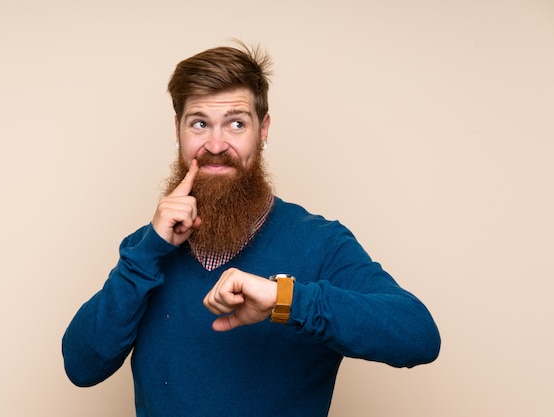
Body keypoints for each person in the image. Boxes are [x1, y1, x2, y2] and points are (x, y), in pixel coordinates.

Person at [62, 41, 441, 417]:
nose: (215, 143)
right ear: (177, 131)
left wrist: (286, 299)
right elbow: (81, 366)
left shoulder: (320, 242)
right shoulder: (145, 251)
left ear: (263, 130)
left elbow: (419, 336)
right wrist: (147, 251)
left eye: (236, 123)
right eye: (199, 123)